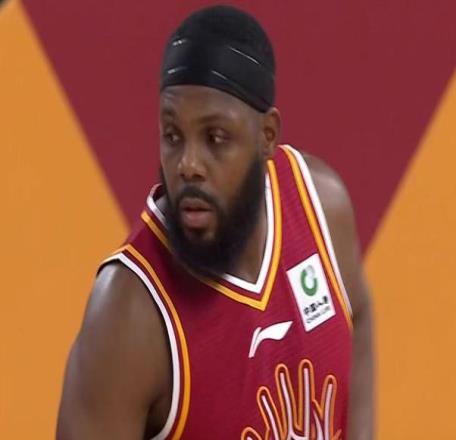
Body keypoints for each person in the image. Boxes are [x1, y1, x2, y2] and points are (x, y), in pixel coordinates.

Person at [57, 5, 373, 440]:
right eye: (172, 135)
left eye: (215, 138)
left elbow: (359, 315)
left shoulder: (320, 205)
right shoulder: (129, 312)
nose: (188, 164)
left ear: (267, 137)